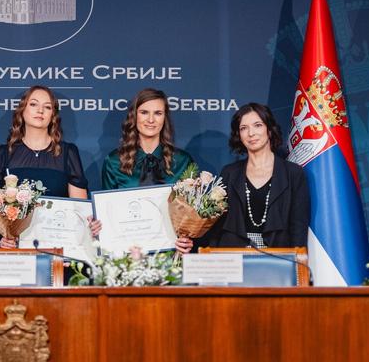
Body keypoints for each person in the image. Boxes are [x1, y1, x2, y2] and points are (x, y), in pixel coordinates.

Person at [0, 85, 88, 248]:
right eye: (33, 104)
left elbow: (80, 210)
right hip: (16, 252)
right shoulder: (5, 153)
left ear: (53, 115)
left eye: (47, 107)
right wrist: (1, 238)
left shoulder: (68, 153)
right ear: (22, 110)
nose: (40, 111)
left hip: (57, 248)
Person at [194, 102, 310, 250]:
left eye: (257, 125)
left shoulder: (293, 173)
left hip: (279, 257)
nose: (251, 133)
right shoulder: (229, 173)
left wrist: (297, 260)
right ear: (239, 135)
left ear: (269, 129)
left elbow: (298, 226)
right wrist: (192, 241)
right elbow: (216, 225)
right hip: (233, 257)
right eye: (244, 128)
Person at [99, 88, 195, 253]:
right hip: (128, 256)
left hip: (172, 254)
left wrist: (187, 239)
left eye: (158, 113)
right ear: (134, 116)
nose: (151, 120)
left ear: (165, 118)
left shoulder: (183, 161)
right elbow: (107, 216)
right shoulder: (114, 162)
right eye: (144, 112)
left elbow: (192, 214)